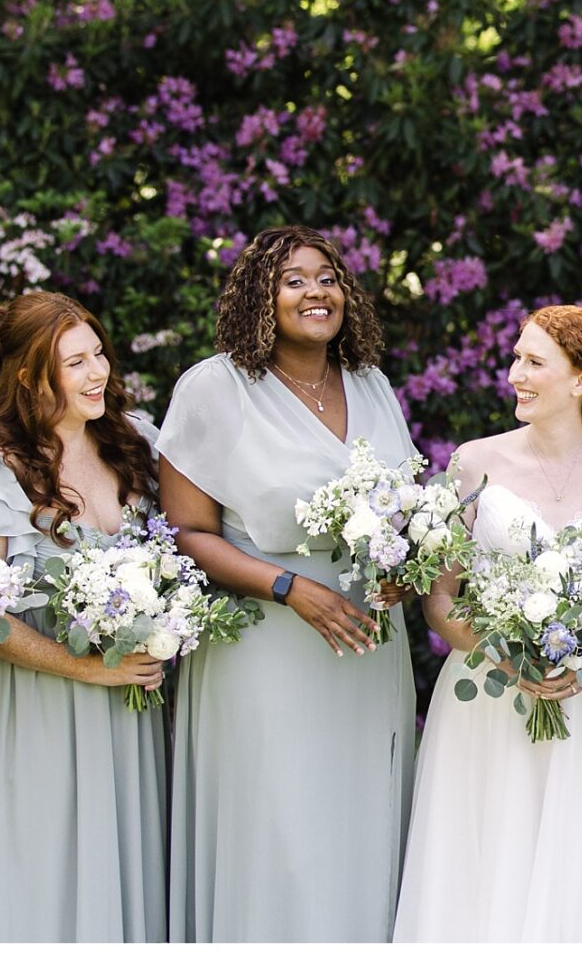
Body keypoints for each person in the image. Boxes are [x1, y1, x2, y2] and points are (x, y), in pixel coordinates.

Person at [393, 306, 582, 943]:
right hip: (489, 696)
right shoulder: (474, 462)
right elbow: (441, 599)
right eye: (516, 358)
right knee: (489, 856)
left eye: (534, 362)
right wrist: (507, 660)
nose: (514, 375)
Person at [158, 226, 419, 941]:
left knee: (361, 810)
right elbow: (188, 532)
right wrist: (287, 588)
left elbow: (403, 502)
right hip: (267, 643)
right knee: (281, 824)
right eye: (294, 279)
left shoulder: (370, 383)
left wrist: (402, 566)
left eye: (327, 276)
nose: (316, 292)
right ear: (259, 296)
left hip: (368, 642)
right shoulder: (214, 388)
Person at [0, 291, 167, 942]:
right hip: (35, 708)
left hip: (131, 703)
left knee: (125, 864)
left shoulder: (136, 449)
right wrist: (82, 669)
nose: (98, 372)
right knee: (42, 871)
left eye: (98, 354)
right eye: (75, 363)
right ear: (29, 378)